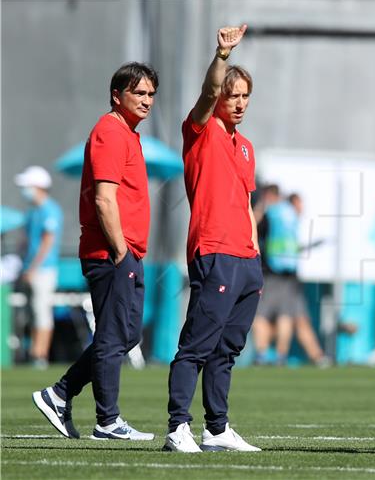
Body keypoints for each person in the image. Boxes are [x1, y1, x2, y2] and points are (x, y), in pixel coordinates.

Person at [32, 62, 158, 441]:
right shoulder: (110, 131)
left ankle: (60, 393)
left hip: (126, 252)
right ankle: (107, 420)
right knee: (112, 333)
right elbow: (104, 199)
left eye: (151, 94)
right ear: (116, 96)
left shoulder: (128, 134)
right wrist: (120, 249)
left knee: (126, 334)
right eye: (139, 93)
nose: (147, 100)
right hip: (111, 252)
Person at [164, 24, 262, 453]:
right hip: (214, 250)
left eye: (244, 96)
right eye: (232, 94)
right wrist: (221, 56)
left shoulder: (246, 147)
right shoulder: (199, 130)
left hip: (246, 259)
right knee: (197, 345)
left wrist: (256, 253)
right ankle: (177, 427)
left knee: (226, 351)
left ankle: (217, 429)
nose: (238, 102)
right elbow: (206, 95)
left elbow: (244, 201)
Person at [252, 191, 329, 367]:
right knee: (286, 317)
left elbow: (254, 232)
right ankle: (282, 355)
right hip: (288, 277)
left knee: (263, 316)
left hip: (270, 274)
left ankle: (264, 354)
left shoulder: (269, 215)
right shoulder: (289, 218)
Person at [14, 166, 63, 368]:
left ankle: (40, 355)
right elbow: (27, 242)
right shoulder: (32, 212)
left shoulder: (50, 210)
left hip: (43, 270)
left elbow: (47, 242)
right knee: (31, 313)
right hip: (29, 269)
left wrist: (33, 268)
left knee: (41, 312)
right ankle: (33, 352)